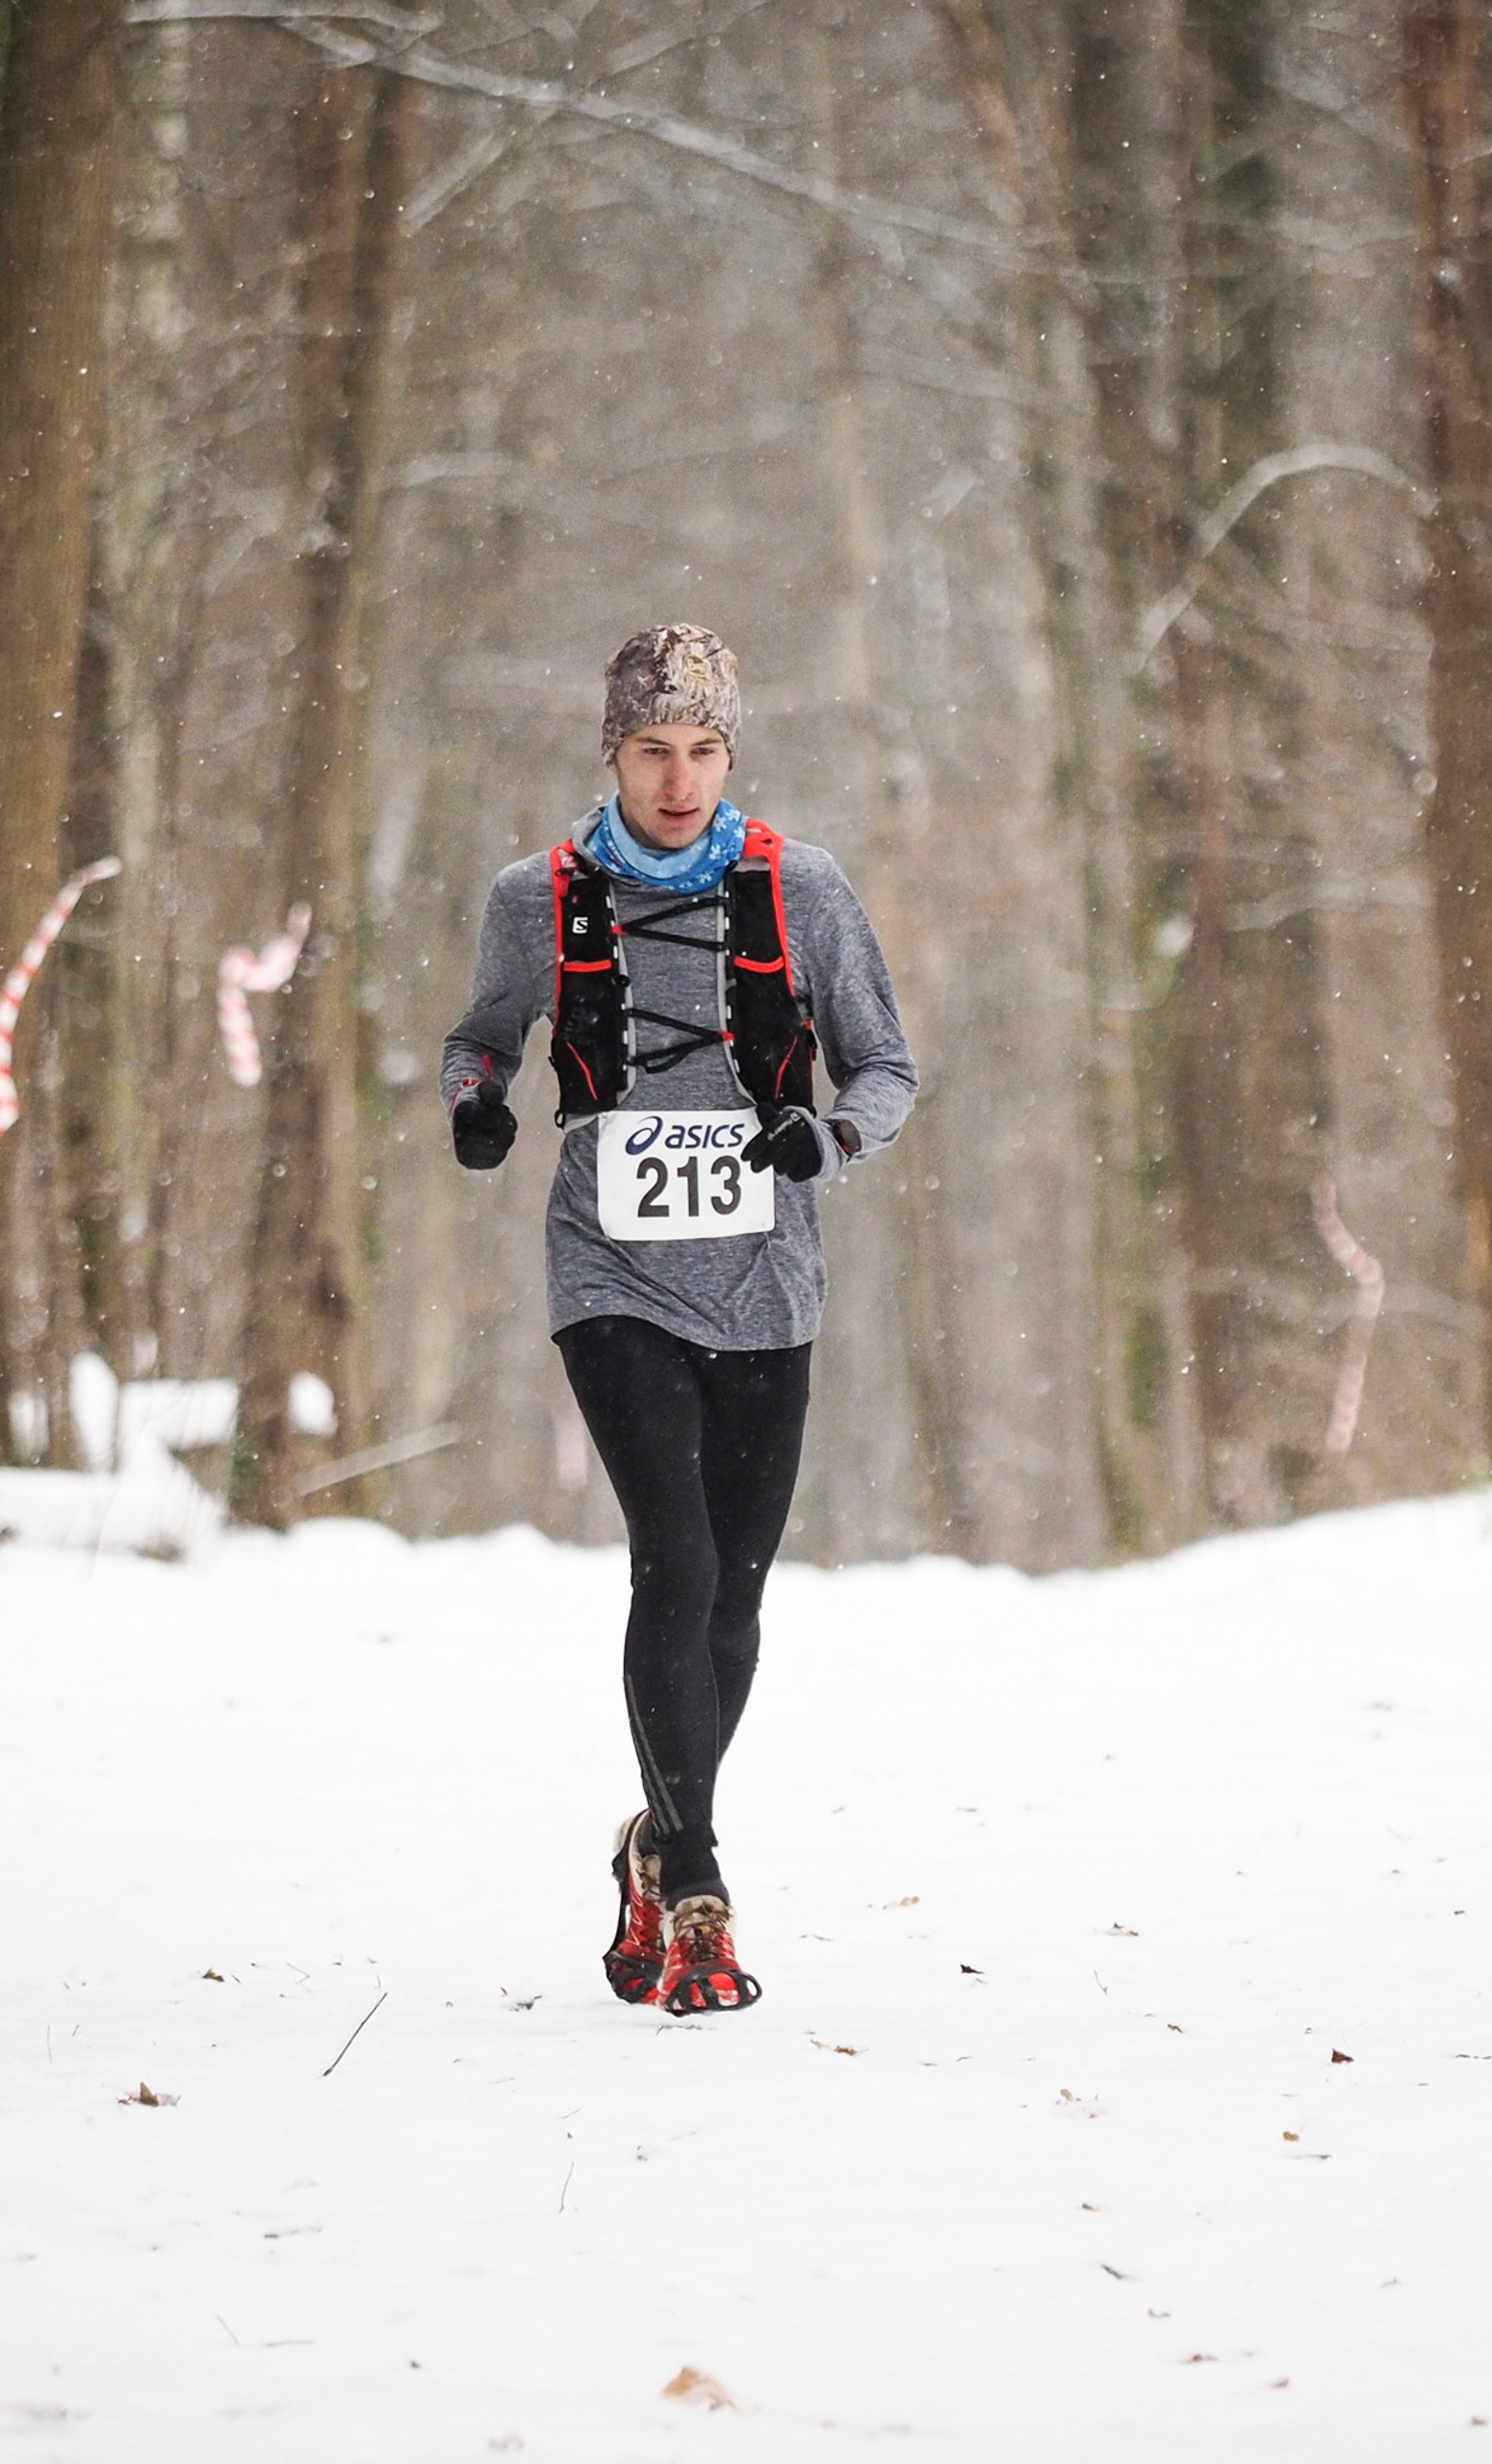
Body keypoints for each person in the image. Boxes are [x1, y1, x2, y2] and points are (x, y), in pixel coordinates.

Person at [441, 625, 917, 2016]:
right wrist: (477, 1102)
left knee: (739, 1596)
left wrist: (824, 1141)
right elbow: (482, 1032)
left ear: (732, 753)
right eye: (653, 749)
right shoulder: (538, 894)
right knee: (677, 1556)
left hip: (768, 1281)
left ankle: (648, 1841)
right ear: (613, 753)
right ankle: (699, 1880)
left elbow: (887, 1068)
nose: (678, 777)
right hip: (612, 1272)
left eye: (703, 749)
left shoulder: (803, 887)